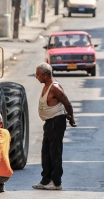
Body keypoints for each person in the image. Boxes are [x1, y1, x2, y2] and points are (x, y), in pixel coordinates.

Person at [33, 62, 76, 190]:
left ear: (45, 75)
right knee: (46, 152)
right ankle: (45, 180)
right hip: (49, 122)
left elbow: (67, 103)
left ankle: (56, 183)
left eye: (38, 75)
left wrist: (71, 117)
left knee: (55, 152)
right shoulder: (46, 85)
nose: (37, 77)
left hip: (57, 122)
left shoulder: (54, 87)